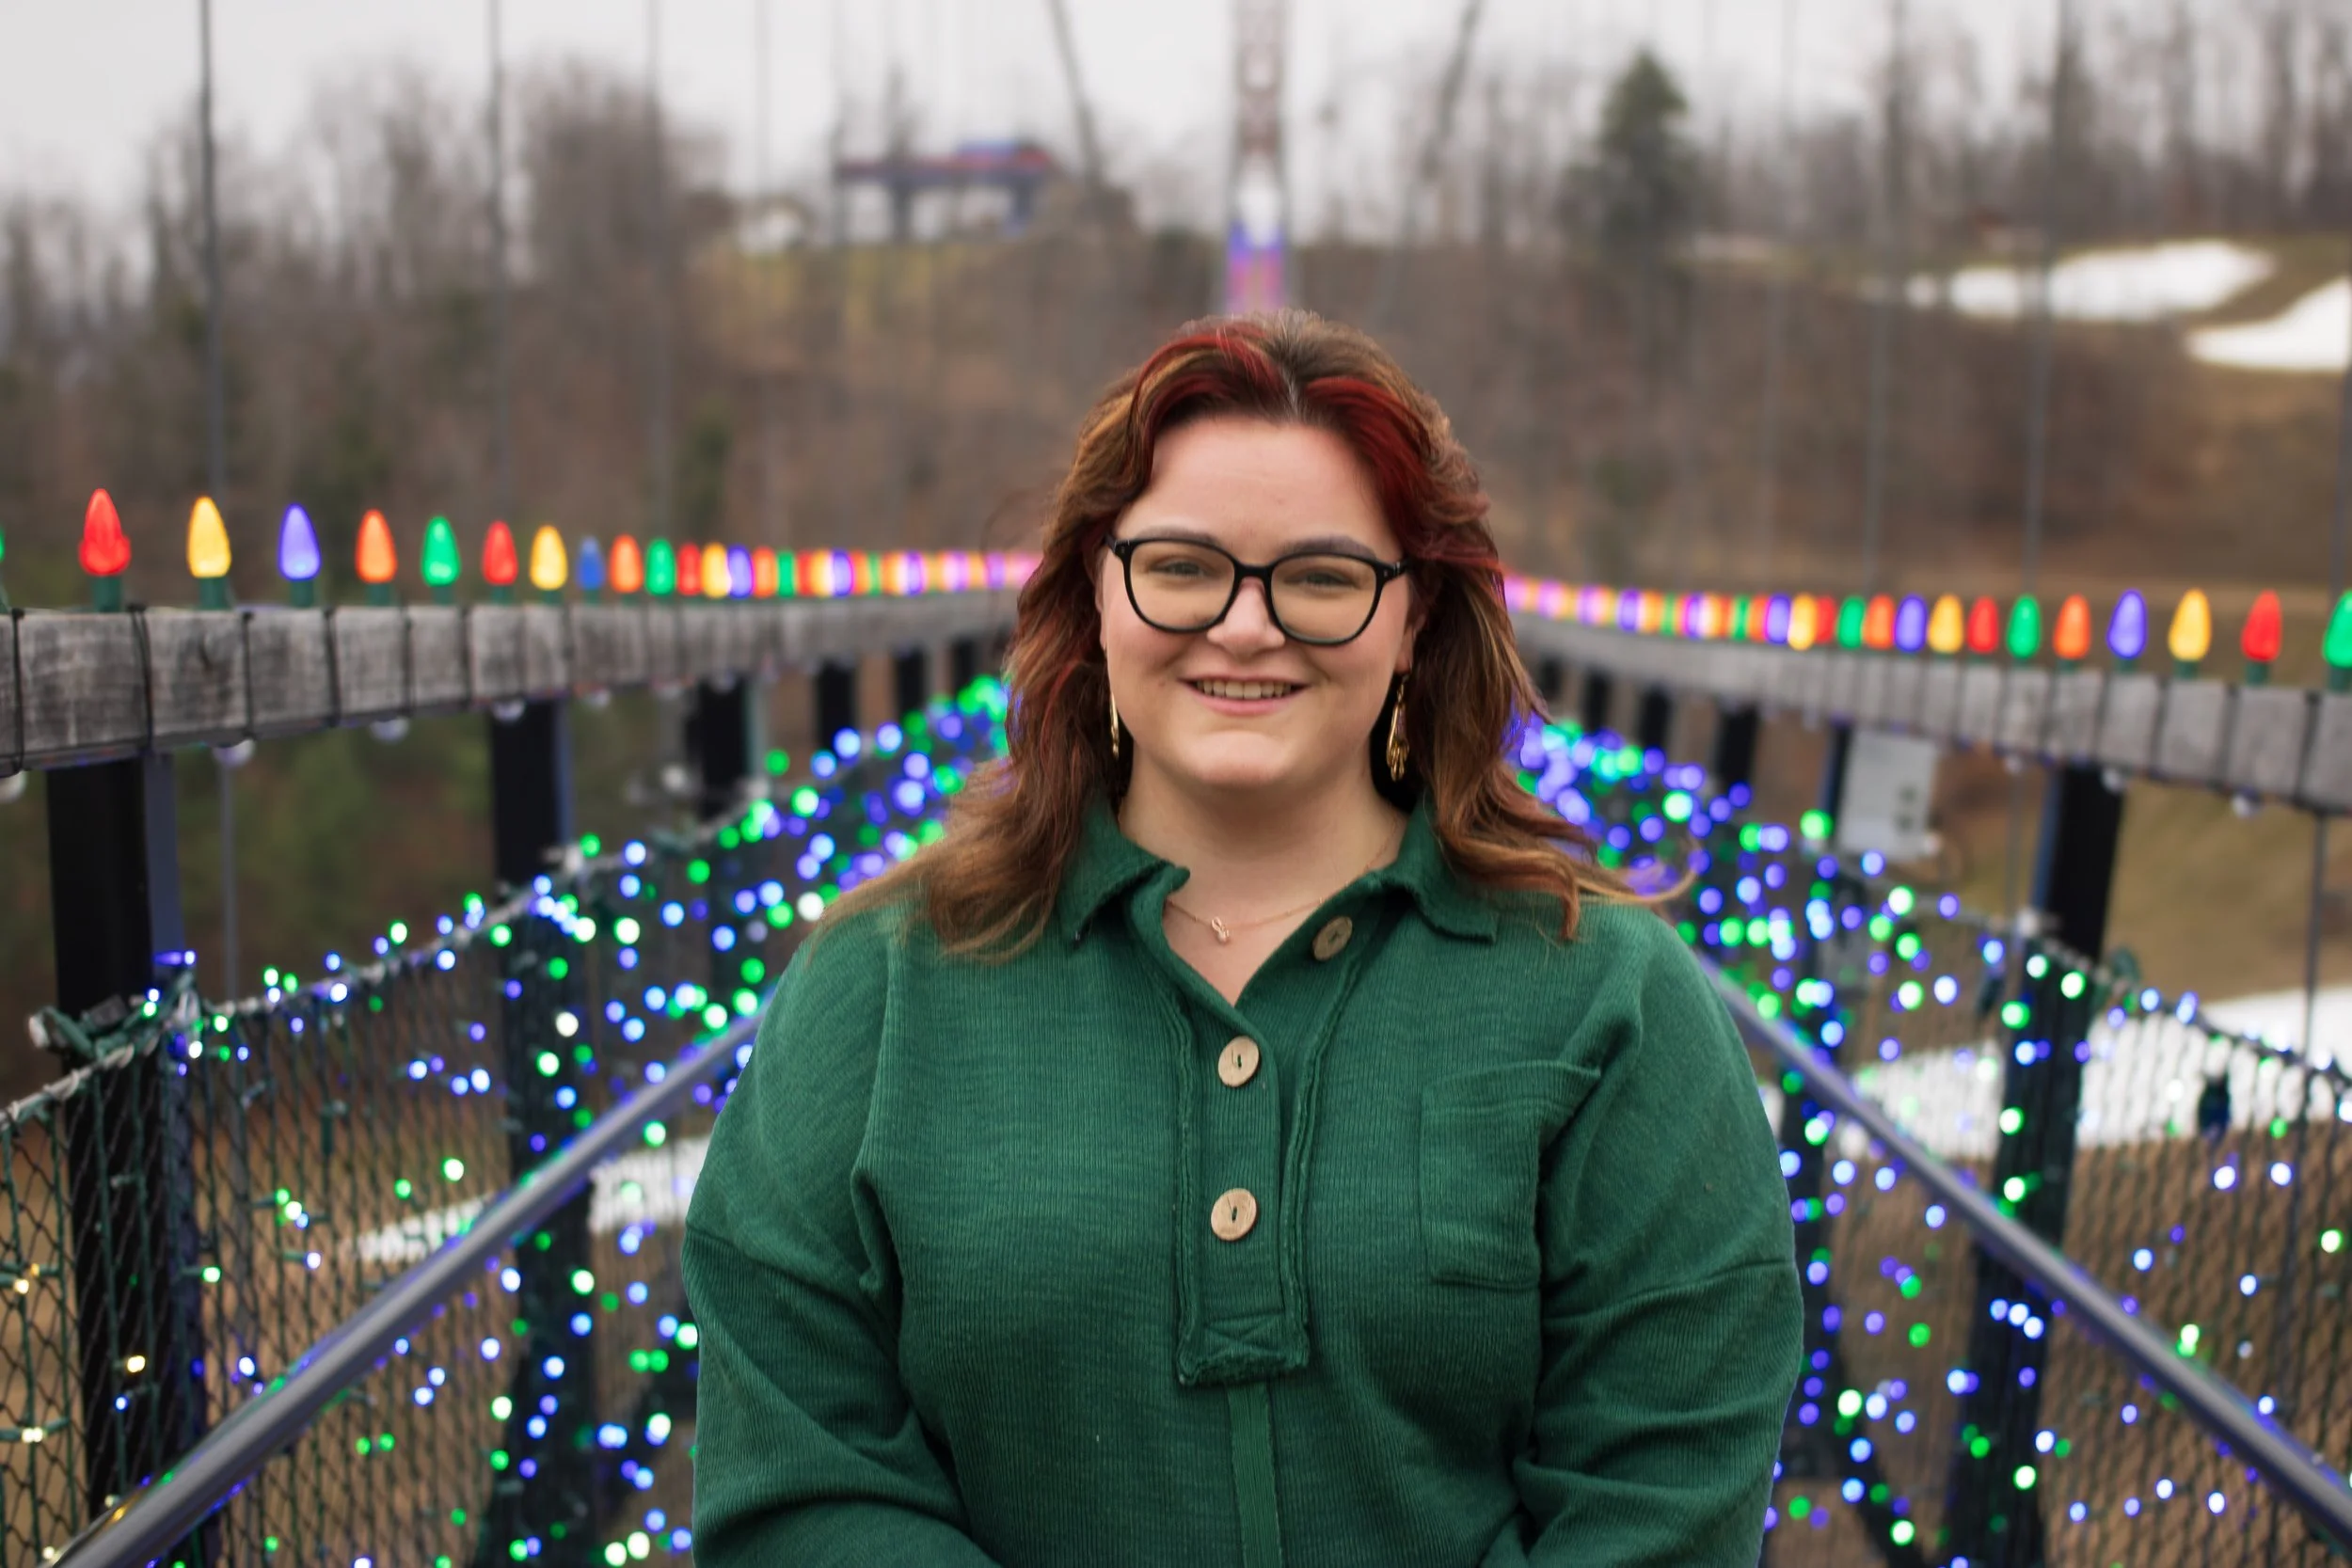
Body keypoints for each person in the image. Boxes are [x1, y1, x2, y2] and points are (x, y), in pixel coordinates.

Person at [683, 311, 1801, 1567]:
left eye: (1322, 577)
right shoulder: (880, 984)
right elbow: (799, 1475)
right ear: (1096, 590)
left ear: (1415, 619)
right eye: (1181, 566)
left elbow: (1667, 1482)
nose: (1246, 626)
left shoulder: (1607, 995)